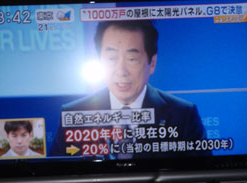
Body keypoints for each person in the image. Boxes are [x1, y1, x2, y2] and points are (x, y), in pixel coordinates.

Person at [50, 20, 208, 158]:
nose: (121, 71)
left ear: (152, 63)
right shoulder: (73, 114)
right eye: (111, 58)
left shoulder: (184, 115)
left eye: (132, 59)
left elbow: (199, 176)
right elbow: (58, 173)